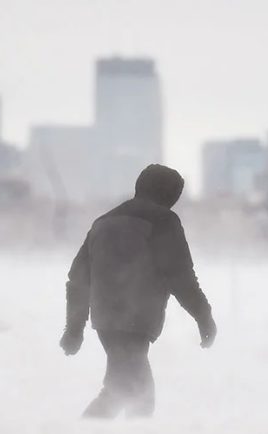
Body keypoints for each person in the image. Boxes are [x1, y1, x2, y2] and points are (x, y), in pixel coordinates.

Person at [59, 164, 217, 418]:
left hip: (107, 322)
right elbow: (180, 276)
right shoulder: (164, 220)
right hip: (135, 319)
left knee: (123, 390)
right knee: (135, 395)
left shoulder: (103, 221)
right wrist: (204, 317)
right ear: (170, 194)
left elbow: (78, 279)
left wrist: (74, 329)